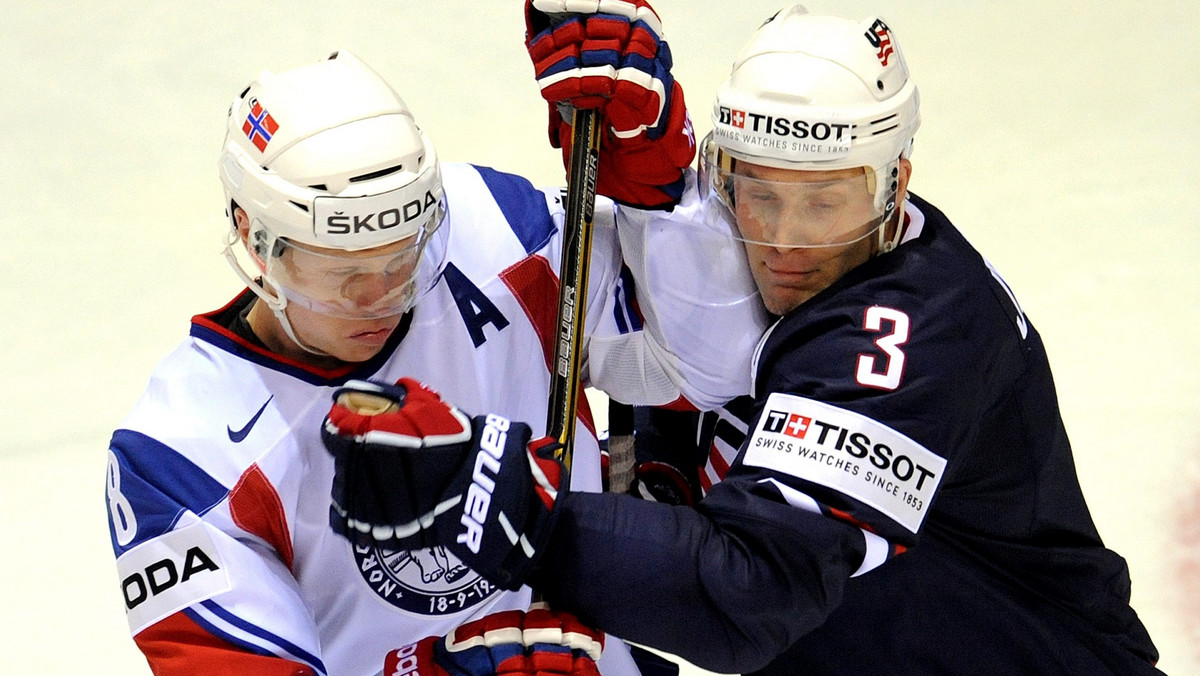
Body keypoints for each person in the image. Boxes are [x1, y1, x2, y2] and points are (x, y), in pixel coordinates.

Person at [319, 5, 1166, 674]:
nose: (785, 239)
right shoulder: (747, 249)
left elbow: (748, 593)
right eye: (756, 192)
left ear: (896, 183)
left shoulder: (909, 331)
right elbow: (688, 356)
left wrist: (510, 506)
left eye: (826, 201)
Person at [103, 23, 767, 676]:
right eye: (342, 277)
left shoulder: (495, 229)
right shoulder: (181, 457)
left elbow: (710, 369)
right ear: (254, 240)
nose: (381, 298)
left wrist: (659, 191)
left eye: (400, 260)